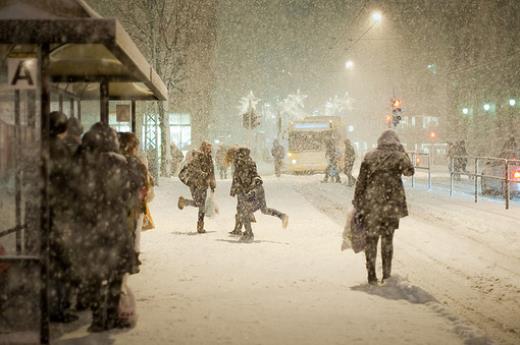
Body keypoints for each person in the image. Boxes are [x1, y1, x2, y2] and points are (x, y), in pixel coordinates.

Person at [70, 123, 136, 332]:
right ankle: (111, 313)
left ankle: (98, 319)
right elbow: (128, 195)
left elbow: (76, 195)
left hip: (91, 227)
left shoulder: (83, 162)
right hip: (115, 225)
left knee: (96, 274)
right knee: (115, 274)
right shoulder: (119, 162)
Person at [353, 129, 414, 285]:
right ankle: (386, 276)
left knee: (371, 239)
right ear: (396, 142)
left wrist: (357, 202)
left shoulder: (369, 156)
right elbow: (409, 171)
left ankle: (371, 276)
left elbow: (361, 182)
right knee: (387, 239)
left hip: (371, 204)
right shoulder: (399, 157)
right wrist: (403, 152)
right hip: (391, 204)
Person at [48, 111, 78, 323]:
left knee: (51, 263)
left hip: (43, 213)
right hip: (60, 213)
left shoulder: (41, 147)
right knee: (64, 263)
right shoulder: (62, 151)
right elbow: (71, 182)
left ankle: (51, 306)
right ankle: (60, 308)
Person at [229, 147, 288, 241]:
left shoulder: (240, 163)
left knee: (245, 211)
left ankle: (249, 234)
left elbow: (238, 178)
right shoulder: (250, 161)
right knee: (263, 209)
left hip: (250, 190)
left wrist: (236, 189)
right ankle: (282, 216)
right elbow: (252, 175)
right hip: (258, 188)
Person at [178, 141, 216, 233]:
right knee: (200, 204)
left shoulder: (209, 158)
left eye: (209, 148)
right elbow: (194, 169)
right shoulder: (198, 157)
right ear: (203, 148)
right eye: (207, 148)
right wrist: (205, 175)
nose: (209, 150)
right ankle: (200, 226)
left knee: (200, 204)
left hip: (204, 184)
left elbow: (211, 172)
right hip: (195, 184)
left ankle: (185, 202)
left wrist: (212, 184)